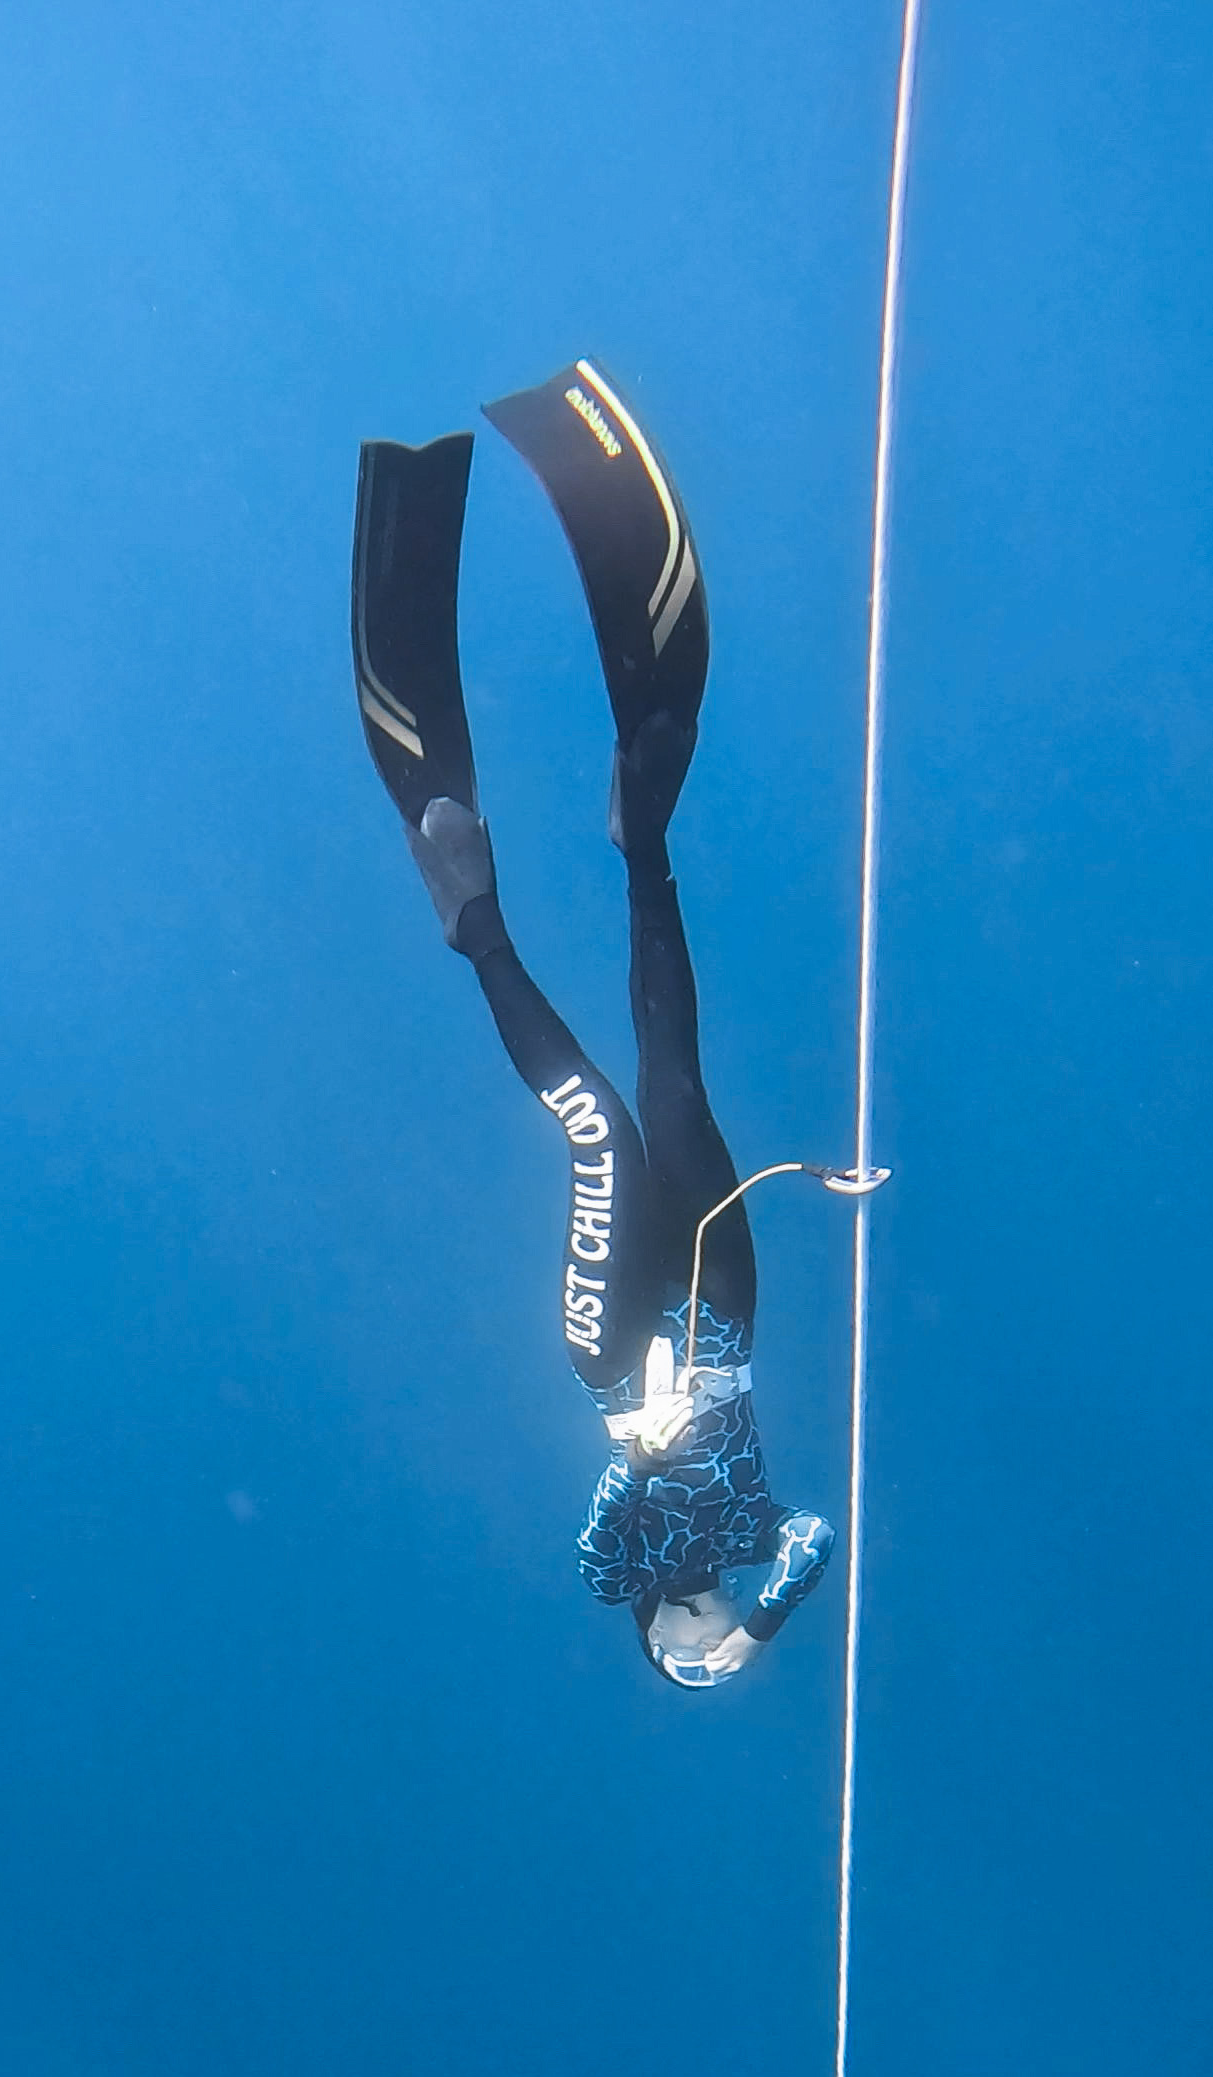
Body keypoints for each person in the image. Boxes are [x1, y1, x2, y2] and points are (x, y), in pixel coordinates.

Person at [351, 361, 834, 1691]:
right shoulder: (747, 1544)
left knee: (602, 1125)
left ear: (649, 1635)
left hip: (612, 1344)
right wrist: (761, 1626)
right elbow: (813, 1539)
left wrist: (636, 1445)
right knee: (674, 1088)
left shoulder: (614, 1582)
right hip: (723, 1321)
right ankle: (643, 839)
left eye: (681, 1657)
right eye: (709, 1655)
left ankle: (473, 918)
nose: (697, 1645)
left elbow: (597, 1540)